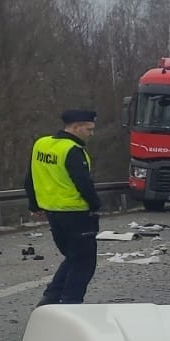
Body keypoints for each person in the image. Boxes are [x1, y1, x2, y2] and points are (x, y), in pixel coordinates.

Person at [25, 108, 103, 306]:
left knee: (73, 257)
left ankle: (50, 298)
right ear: (76, 127)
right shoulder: (72, 150)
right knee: (84, 262)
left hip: (53, 213)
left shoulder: (42, 144)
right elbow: (83, 182)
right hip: (76, 213)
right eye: (89, 129)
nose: (92, 133)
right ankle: (70, 304)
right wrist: (95, 205)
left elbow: (30, 177)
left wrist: (34, 204)